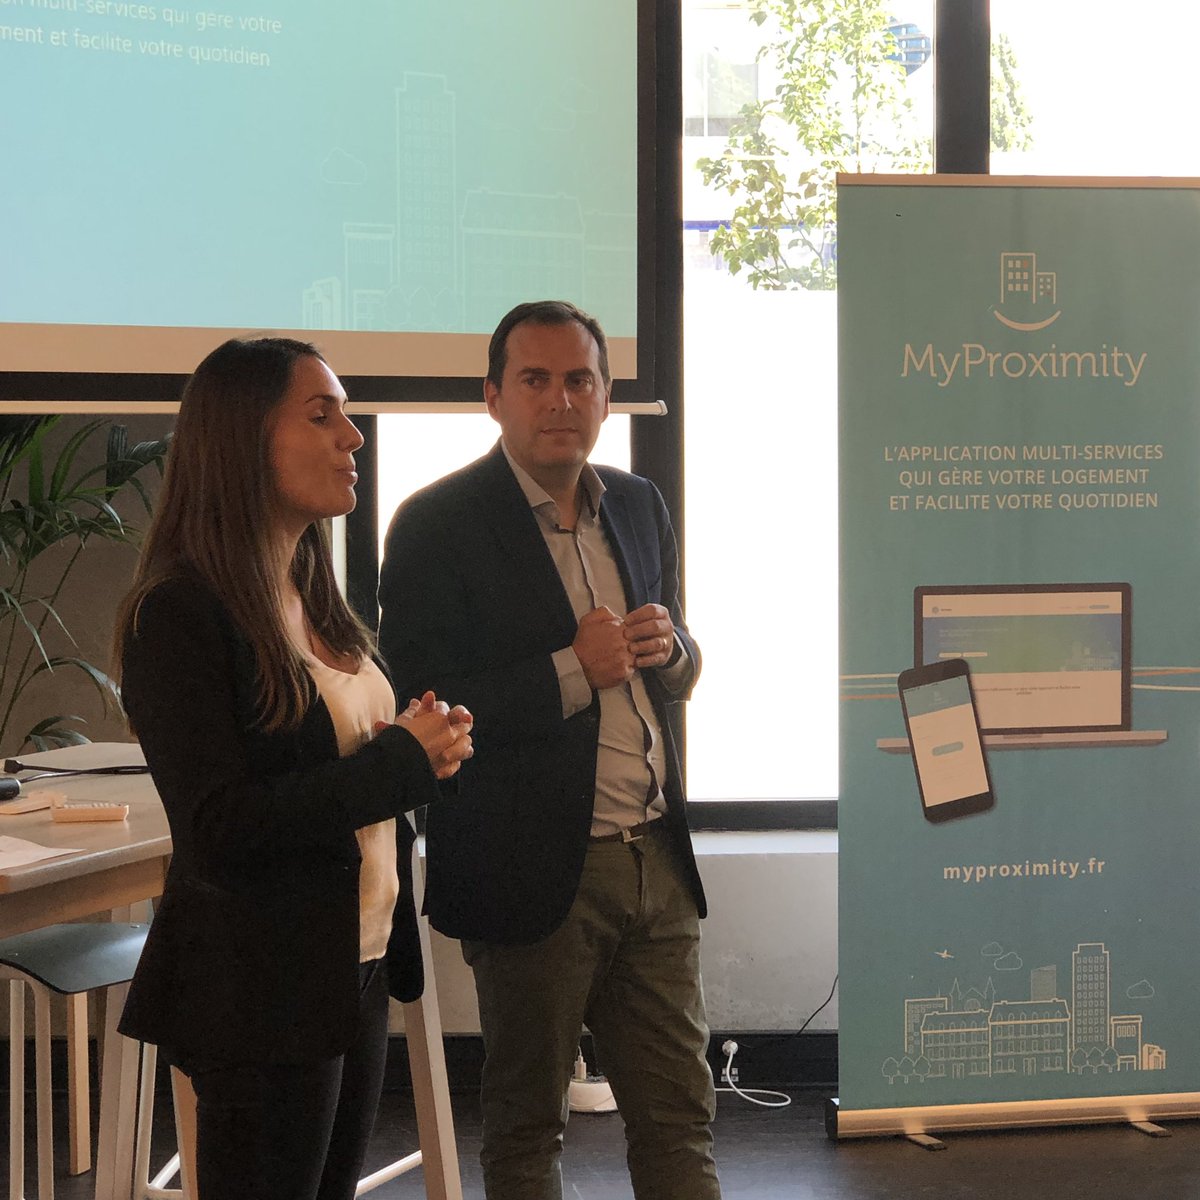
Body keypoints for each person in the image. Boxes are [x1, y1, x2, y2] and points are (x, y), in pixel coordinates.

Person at [112, 336, 473, 1200]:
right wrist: (398, 763)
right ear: (243, 439)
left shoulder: (310, 591)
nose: (353, 436)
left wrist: (423, 747)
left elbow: (339, 761)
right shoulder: (178, 613)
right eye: (322, 415)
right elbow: (219, 827)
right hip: (260, 987)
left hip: (352, 964)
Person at [378, 300, 720, 1200]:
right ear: (494, 397)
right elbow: (422, 705)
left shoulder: (637, 504)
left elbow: (679, 663)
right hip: (529, 872)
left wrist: (674, 652)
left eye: (580, 380)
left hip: (655, 859)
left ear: (606, 396)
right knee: (529, 1130)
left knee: (681, 1120)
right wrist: (573, 669)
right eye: (535, 379)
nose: (560, 399)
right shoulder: (434, 523)